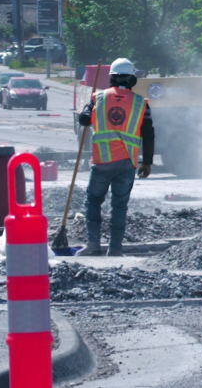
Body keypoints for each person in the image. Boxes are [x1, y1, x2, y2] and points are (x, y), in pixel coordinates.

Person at [75, 58, 154, 257]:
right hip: (126, 163)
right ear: (132, 79)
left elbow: (83, 120)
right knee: (119, 206)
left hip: (101, 161)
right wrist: (147, 162)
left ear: (111, 78)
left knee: (93, 202)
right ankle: (115, 249)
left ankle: (93, 244)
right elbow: (149, 134)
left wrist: (88, 106)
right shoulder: (140, 103)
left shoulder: (98, 98)